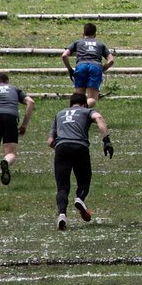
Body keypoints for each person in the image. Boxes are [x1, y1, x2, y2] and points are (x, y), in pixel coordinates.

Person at [48, 94, 112, 230]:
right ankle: (80, 198)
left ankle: (62, 215)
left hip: (61, 147)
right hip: (80, 147)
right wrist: (106, 140)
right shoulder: (86, 111)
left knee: (62, 186)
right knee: (84, 181)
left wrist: (62, 149)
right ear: (84, 104)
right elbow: (99, 118)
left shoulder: (59, 114)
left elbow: (50, 141)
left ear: (71, 104)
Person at [61, 23, 115, 109]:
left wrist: (70, 69)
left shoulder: (77, 42)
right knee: (92, 99)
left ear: (83, 33)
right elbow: (111, 60)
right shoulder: (100, 44)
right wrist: (102, 69)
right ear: (95, 34)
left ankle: (75, 111)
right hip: (95, 66)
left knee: (79, 98)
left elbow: (64, 55)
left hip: (81, 66)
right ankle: (82, 109)